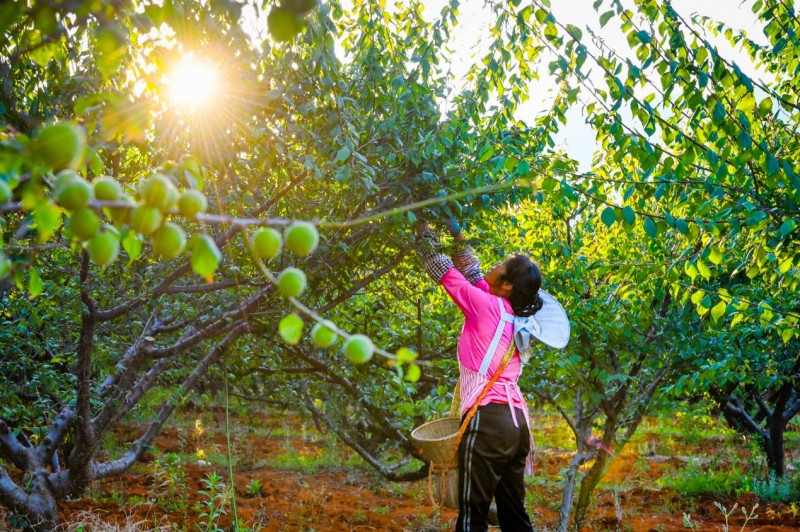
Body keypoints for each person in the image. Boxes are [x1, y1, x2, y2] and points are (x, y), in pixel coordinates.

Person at [414, 220, 569, 532]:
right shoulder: (513, 313)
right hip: (516, 426)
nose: (493, 266)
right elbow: (474, 272)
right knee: (515, 517)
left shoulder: (485, 307)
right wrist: (458, 235)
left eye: (500, 265)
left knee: (473, 517)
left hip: (488, 422)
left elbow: (442, 269)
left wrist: (420, 227)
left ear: (507, 284)